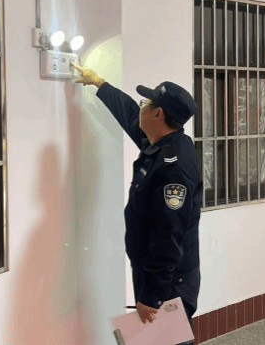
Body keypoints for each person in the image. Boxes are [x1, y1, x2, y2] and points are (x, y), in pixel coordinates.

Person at [72, 62, 202, 338]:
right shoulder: (164, 144)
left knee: (167, 341)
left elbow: (168, 236)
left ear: (157, 113)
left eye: (146, 102)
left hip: (169, 282)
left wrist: (152, 296)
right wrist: (100, 84)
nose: (141, 106)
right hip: (158, 274)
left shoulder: (174, 169)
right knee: (157, 341)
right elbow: (131, 116)